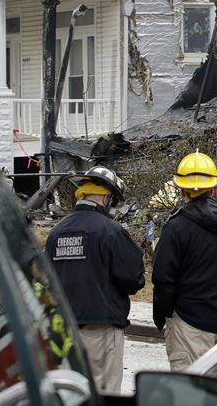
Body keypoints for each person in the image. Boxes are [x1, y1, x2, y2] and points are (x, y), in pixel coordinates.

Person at [46, 166, 144, 394]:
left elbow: (46, 280)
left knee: (73, 393)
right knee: (105, 393)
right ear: (105, 198)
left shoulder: (56, 233)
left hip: (66, 330)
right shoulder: (111, 231)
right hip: (102, 328)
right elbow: (133, 279)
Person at [152, 151, 217, 371]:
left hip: (190, 325)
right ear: (214, 188)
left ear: (181, 190)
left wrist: (163, 316)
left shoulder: (175, 228)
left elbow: (162, 279)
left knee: (190, 388)